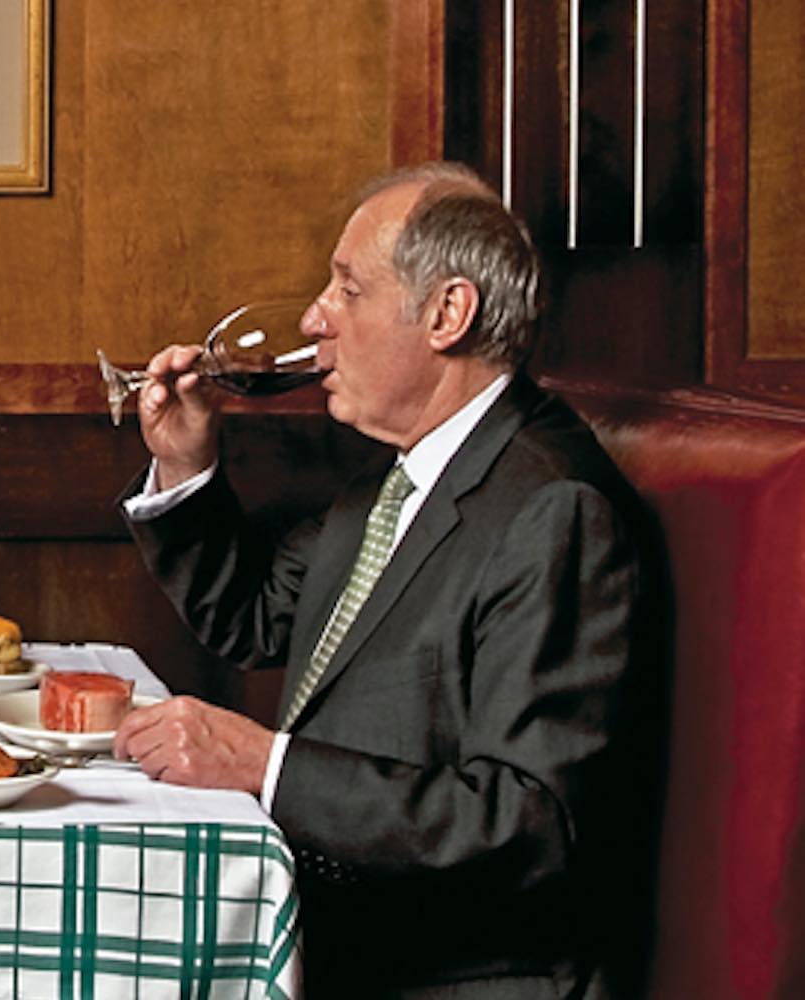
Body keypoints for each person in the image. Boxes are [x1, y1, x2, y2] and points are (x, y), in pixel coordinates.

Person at [112, 162, 662, 996]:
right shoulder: (400, 477)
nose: (313, 318)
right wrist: (182, 463)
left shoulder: (556, 508)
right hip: (338, 941)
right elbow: (254, 618)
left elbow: (530, 825)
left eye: (347, 290)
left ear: (447, 313)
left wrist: (267, 766)